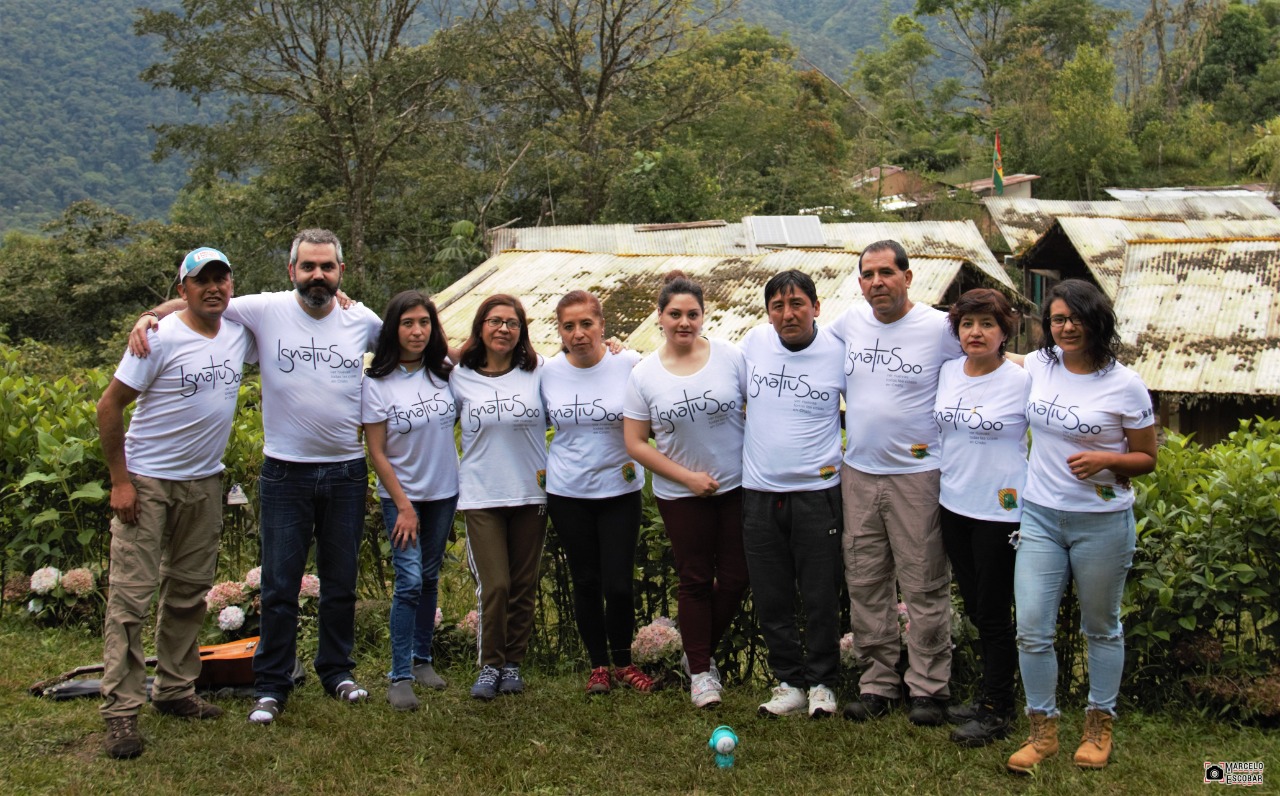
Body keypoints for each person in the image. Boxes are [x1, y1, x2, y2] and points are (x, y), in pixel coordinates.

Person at [130, 229, 383, 724]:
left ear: (340, 273)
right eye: (307, 266)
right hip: (285, 471)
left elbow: (409, 345)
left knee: (340, 582)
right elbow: (196, 302)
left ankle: (338, 671)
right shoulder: (261, 309)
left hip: (347, 470)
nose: (317, 275)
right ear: (291, 271)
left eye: (326, 267)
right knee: (279, 584)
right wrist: (147, 316)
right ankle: (272, 683)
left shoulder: (362, 319)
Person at [97, 247, 256, 758]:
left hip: (204, 483)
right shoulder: (159, 339)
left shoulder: (238, 331)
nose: (214, 288)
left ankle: (174, 690)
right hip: (148, 483)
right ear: (183, 288)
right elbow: (109, 406)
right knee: (131, 597)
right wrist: (121, 482)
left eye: (221, 278)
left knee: (189, 592)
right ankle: (121, 711)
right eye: (201, 280)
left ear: (231, 284)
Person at [1006, 279, 1156, 774]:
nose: (1066, 327)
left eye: (1075, 318)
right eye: (1057, 319)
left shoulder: (1124, 384)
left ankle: (1099, 723)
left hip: (1102, 523)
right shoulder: (1042, 364)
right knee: (1031, 627)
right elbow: (993, 353)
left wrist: (1107, 459)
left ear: (1097, 320)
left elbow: (1147, 458)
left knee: (1101, 627)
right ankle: (1042, 730)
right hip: (1041, 516)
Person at [830, 239, 962, 727]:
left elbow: (987, 355)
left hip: (918, 478)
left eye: (887, 272)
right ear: (860, 282)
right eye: (868, 275)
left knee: (925, 585)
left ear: (909, 277)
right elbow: (792, 343)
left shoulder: (939, 328)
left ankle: (928, 687)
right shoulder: (847, 324)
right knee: (865, 582)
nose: (877, 282)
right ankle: (877, 683)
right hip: (859, 475)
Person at [623, 271, 749, 709]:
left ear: (703, 315)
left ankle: (694, 653)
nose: (684, 322)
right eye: (674, 314)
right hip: (681, 496)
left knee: (736, 578)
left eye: (692, 314)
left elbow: (756, 411)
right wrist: (688, 478)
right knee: (694, 580)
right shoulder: (644, 375)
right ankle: (700, 673)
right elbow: (636, 442)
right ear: (659, 316)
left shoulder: (731, 357)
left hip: (736, 487)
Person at [739, 270, 846, 719]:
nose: (788, 313)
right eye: (778, 306)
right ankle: (789, 683)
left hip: (817, 494)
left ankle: (823, 683)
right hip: (760, 493)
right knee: (772, 594)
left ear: (816, 307)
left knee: (821, 593)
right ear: (768, 313)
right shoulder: (752, 344)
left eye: (797, 303)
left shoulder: (839, 352)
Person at [541, 290, 655, 695]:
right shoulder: (547, 371)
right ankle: (598, 667)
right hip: (567, 492)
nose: (579, 333)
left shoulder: (629, 363)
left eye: (587, 324)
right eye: (569, 326)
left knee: (619, 584)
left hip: (620, 490)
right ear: (560, 331)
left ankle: (624, 662)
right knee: (585, 581)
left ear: (603, 326)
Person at [932, 288, 1030, 746]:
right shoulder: (949, 371)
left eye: (987, 324)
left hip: (1001, 511)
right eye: (968, 324)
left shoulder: (1024, 379)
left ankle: (998, 709)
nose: (976, 332)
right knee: (975, 606)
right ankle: (989, 694)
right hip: (954, 504)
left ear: (1004, 331)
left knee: (993, 612)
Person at [361, 291, 459, 711]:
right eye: (408, 323)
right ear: (392, 329)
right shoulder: (376, 382)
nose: (417, 331)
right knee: (410, 582)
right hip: (403, 498)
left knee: (431, 576)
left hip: (444, 492)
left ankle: (423, 660)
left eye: (425, 323)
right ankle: (399, 674)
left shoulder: (446, 372)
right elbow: (376, 451)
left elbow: (485, 344)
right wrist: (401, 504)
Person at [451, 294, 548, 701]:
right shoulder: (458, 375)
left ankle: (513, 664)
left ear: (522, 330)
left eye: (512, 322)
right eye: (494, 321)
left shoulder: (539, 371)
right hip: (481, 495)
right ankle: (489, 665)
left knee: (523, 585)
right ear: (480, 328)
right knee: (496, 585)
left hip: (531, 492)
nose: (503, 329)